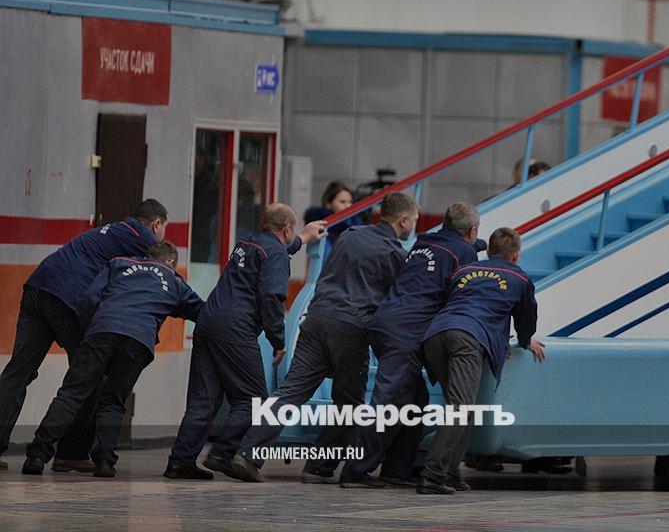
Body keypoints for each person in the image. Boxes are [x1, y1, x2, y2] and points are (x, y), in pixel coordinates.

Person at [228, 192, 419, 484]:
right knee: (349, 404)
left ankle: (247, 454)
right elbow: (397, 299)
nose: (413, 225)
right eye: (414, 220)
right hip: (351, 327)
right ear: (404, 220)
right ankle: (319, 466)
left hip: (315, 318)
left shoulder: (350, 235)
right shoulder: (395, 254)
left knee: (290, 392)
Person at [0, 199, 168, 472]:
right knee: (89, 376)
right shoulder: (144, 238)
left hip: (38, 286)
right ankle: (71, 452)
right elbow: (158, 277)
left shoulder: (111, 230)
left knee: (18, 372)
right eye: (163, 229)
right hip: (69, 298)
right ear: (156, 223)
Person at [164, 205, 327, 480]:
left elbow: (278, 248)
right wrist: (278, 341)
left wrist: (305, 237)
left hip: (207, 321)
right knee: (253, 399)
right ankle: (223, 454)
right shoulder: (275, 254)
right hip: (236, 329)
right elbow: (272, 298)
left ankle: (180, 462)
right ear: (287, 228)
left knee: (204, 399)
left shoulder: (247, 243)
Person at [21, 242, 204, 477]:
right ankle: (105, 462)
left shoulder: (118, 264)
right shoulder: (174, 281)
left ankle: (37, 456)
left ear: (146, 255)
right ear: (170, 261)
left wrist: (89, 331)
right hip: (138, 341)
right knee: (114, 401)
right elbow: (202, 312)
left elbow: (90, 298)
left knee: (71, 395)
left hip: (102, 331)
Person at [338, 203, 486, 488]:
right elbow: (463, 291)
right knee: (389, 401)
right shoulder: (464, 252)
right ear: (471, 231)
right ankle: (355, 470)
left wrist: (478, 243)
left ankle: (397, 469)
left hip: (384, 322)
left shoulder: (424, 242)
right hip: (407, 331)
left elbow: (451, 249)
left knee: (416, 398)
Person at [417, 227, 546, 495]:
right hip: (467, 338)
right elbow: (526, 320)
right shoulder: (519, 278)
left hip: (435, 335)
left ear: (488, 251)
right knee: (460, 408)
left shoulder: (464, 271)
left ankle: (450, 472)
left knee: (462, 406)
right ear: (516, 255)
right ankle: (432, 475)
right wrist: (524, 341)